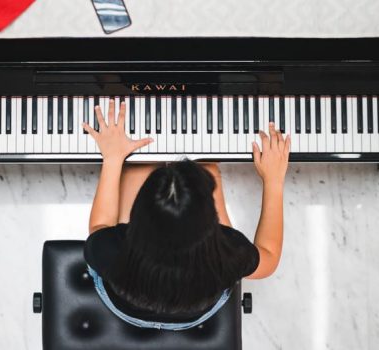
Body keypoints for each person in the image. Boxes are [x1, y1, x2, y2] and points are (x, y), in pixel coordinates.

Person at [82, 101, 289, 330]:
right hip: (193, 313)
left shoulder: (111, 251)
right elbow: (269, 259)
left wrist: (112, 158)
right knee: (207, 168)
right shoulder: (227, 255)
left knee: (136, 166)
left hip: (128, 307)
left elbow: (99, 225)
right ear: (211, 223)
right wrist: (274, 180)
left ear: (137, 215)